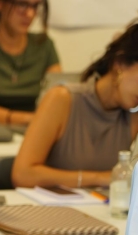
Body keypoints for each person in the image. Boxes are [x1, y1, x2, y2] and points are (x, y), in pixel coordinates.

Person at [12, 23, 138, 188]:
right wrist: (100, 178)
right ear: (120, 64)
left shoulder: (133, 113)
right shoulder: (62, 99)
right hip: (49, 209)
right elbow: (22, 174)